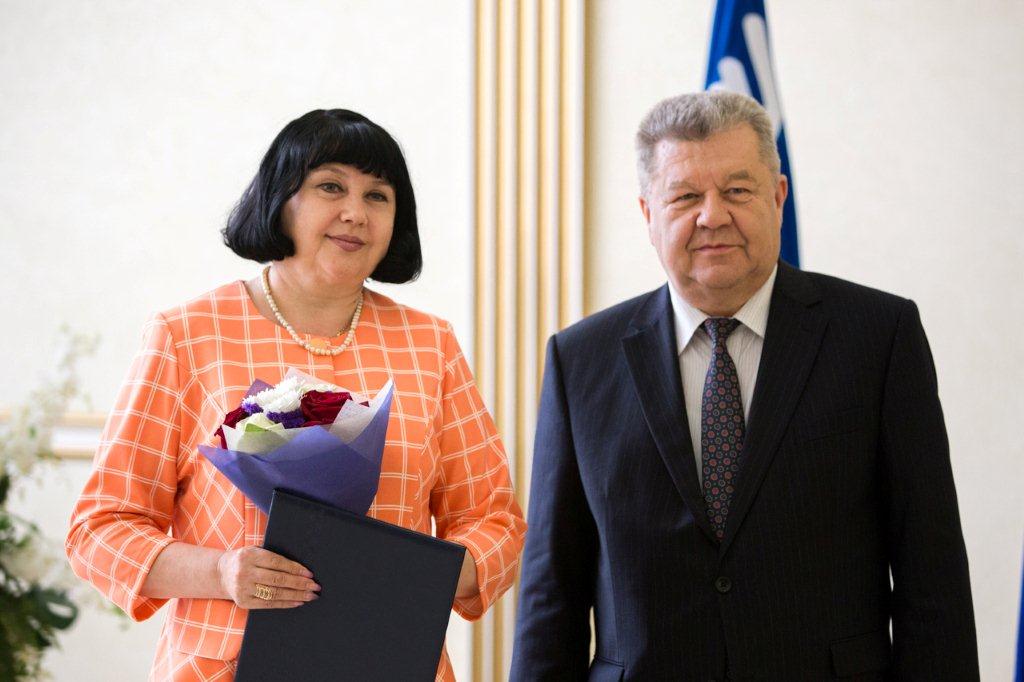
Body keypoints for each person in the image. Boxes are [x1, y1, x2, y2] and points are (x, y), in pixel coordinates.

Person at [510, 91, 977, 681]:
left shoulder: (879, 338)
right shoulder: (580, 360)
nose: (712, 216)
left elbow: (931, 576)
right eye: (685, 197)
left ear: (777, 198)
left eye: (737, 191)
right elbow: (551, 594)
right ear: (648, 213)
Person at [66, 109, 526, 681]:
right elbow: (100, 529)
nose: (355, 212)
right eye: (331, 186)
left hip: (391, 664)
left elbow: (494, 523)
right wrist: (222, 573)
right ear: (280, 200)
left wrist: (411, 575)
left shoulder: (431, 344)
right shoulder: (188, 335)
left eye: (378, 195)